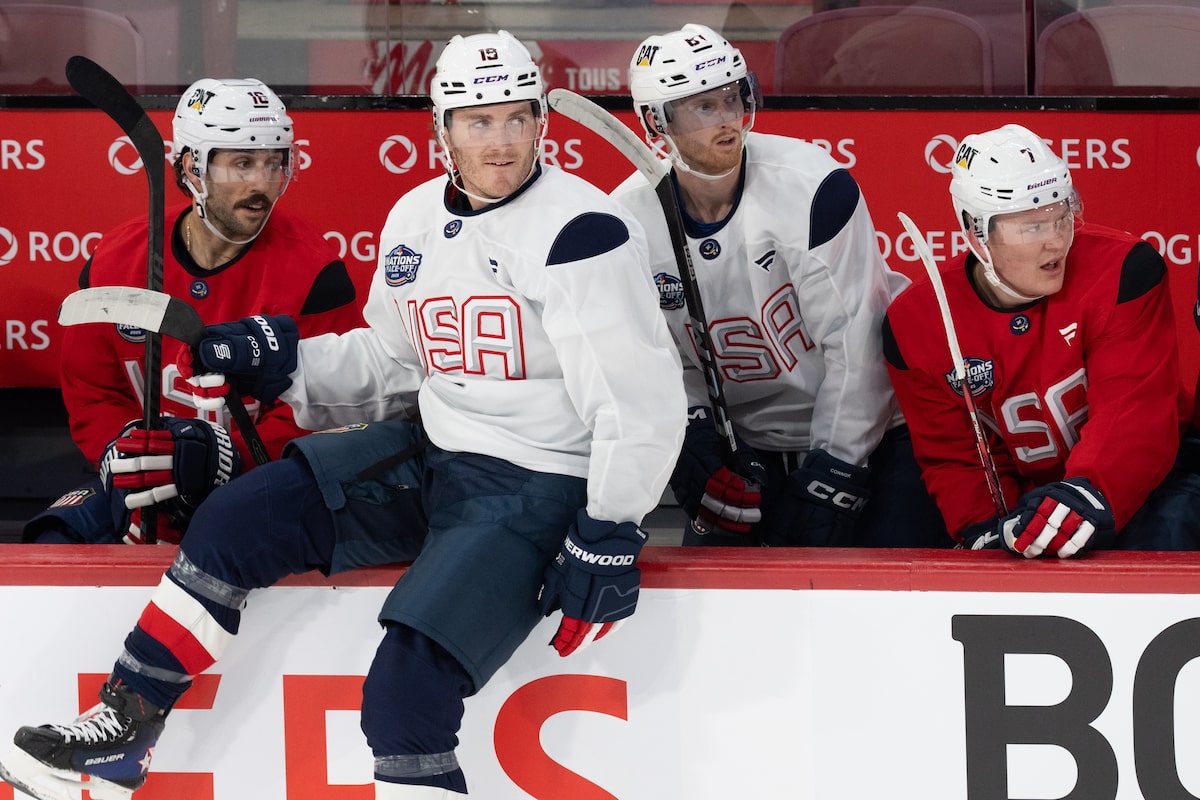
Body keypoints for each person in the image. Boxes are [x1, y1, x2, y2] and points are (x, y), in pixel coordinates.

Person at [0, 30, 685, 800]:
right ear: (441, 131)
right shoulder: (417, 218)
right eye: (477, 120)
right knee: (237, 519)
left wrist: (611, 527)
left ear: (541, 124)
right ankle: (123, 732)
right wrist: (285, 361)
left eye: (516, 117)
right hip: (435, 454)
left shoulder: (582, 232)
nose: (500, 141)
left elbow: (641, 399)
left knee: (404, 701)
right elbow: (393, 362)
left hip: (536, 484)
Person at [611, 23, 946, 548]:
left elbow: (856, 343)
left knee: (885, 595)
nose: (728, 120)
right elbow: (658, 356)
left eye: (733, 98)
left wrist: (835, 468)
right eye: (704, 107)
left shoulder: (813, 189)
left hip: (878, 433)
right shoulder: (627, 222)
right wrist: (692, 431)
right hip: (750, 448)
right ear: (656, 121)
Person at [23, 77, 362, 545]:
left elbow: (329, 405)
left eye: (273, 164)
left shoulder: (315, 274)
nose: (261, 184)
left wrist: (223, 459)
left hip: (261, 479)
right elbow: (93, 391)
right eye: (241, 164)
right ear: (191, 168)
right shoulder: (117, 261)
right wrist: (132, 457)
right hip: (138, 478)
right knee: (54, 542)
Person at [883, 122, 1200, 555]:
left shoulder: (1123, 270)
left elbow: (1134, 411)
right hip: (1030, 500)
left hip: (1149, 483)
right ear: (977, 232)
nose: (1055, 242)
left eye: (1061, 217)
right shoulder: (917, 321)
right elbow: (954, 456)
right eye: (1032, 227)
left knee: (1164, 540)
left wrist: (1085, 493)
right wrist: (985, 526)